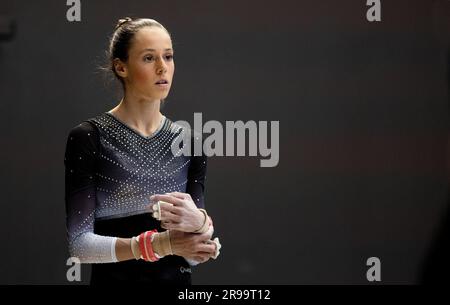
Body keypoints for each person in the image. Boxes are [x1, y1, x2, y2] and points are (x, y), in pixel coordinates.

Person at [64, 17, 221, 284]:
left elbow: (193, 255)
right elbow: (81, 245)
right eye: (149, 58)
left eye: (168, 56)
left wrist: (200, 225)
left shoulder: (189, 142)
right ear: (120, 67)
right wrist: (161, 244)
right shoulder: (90, 137)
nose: (163, 68)